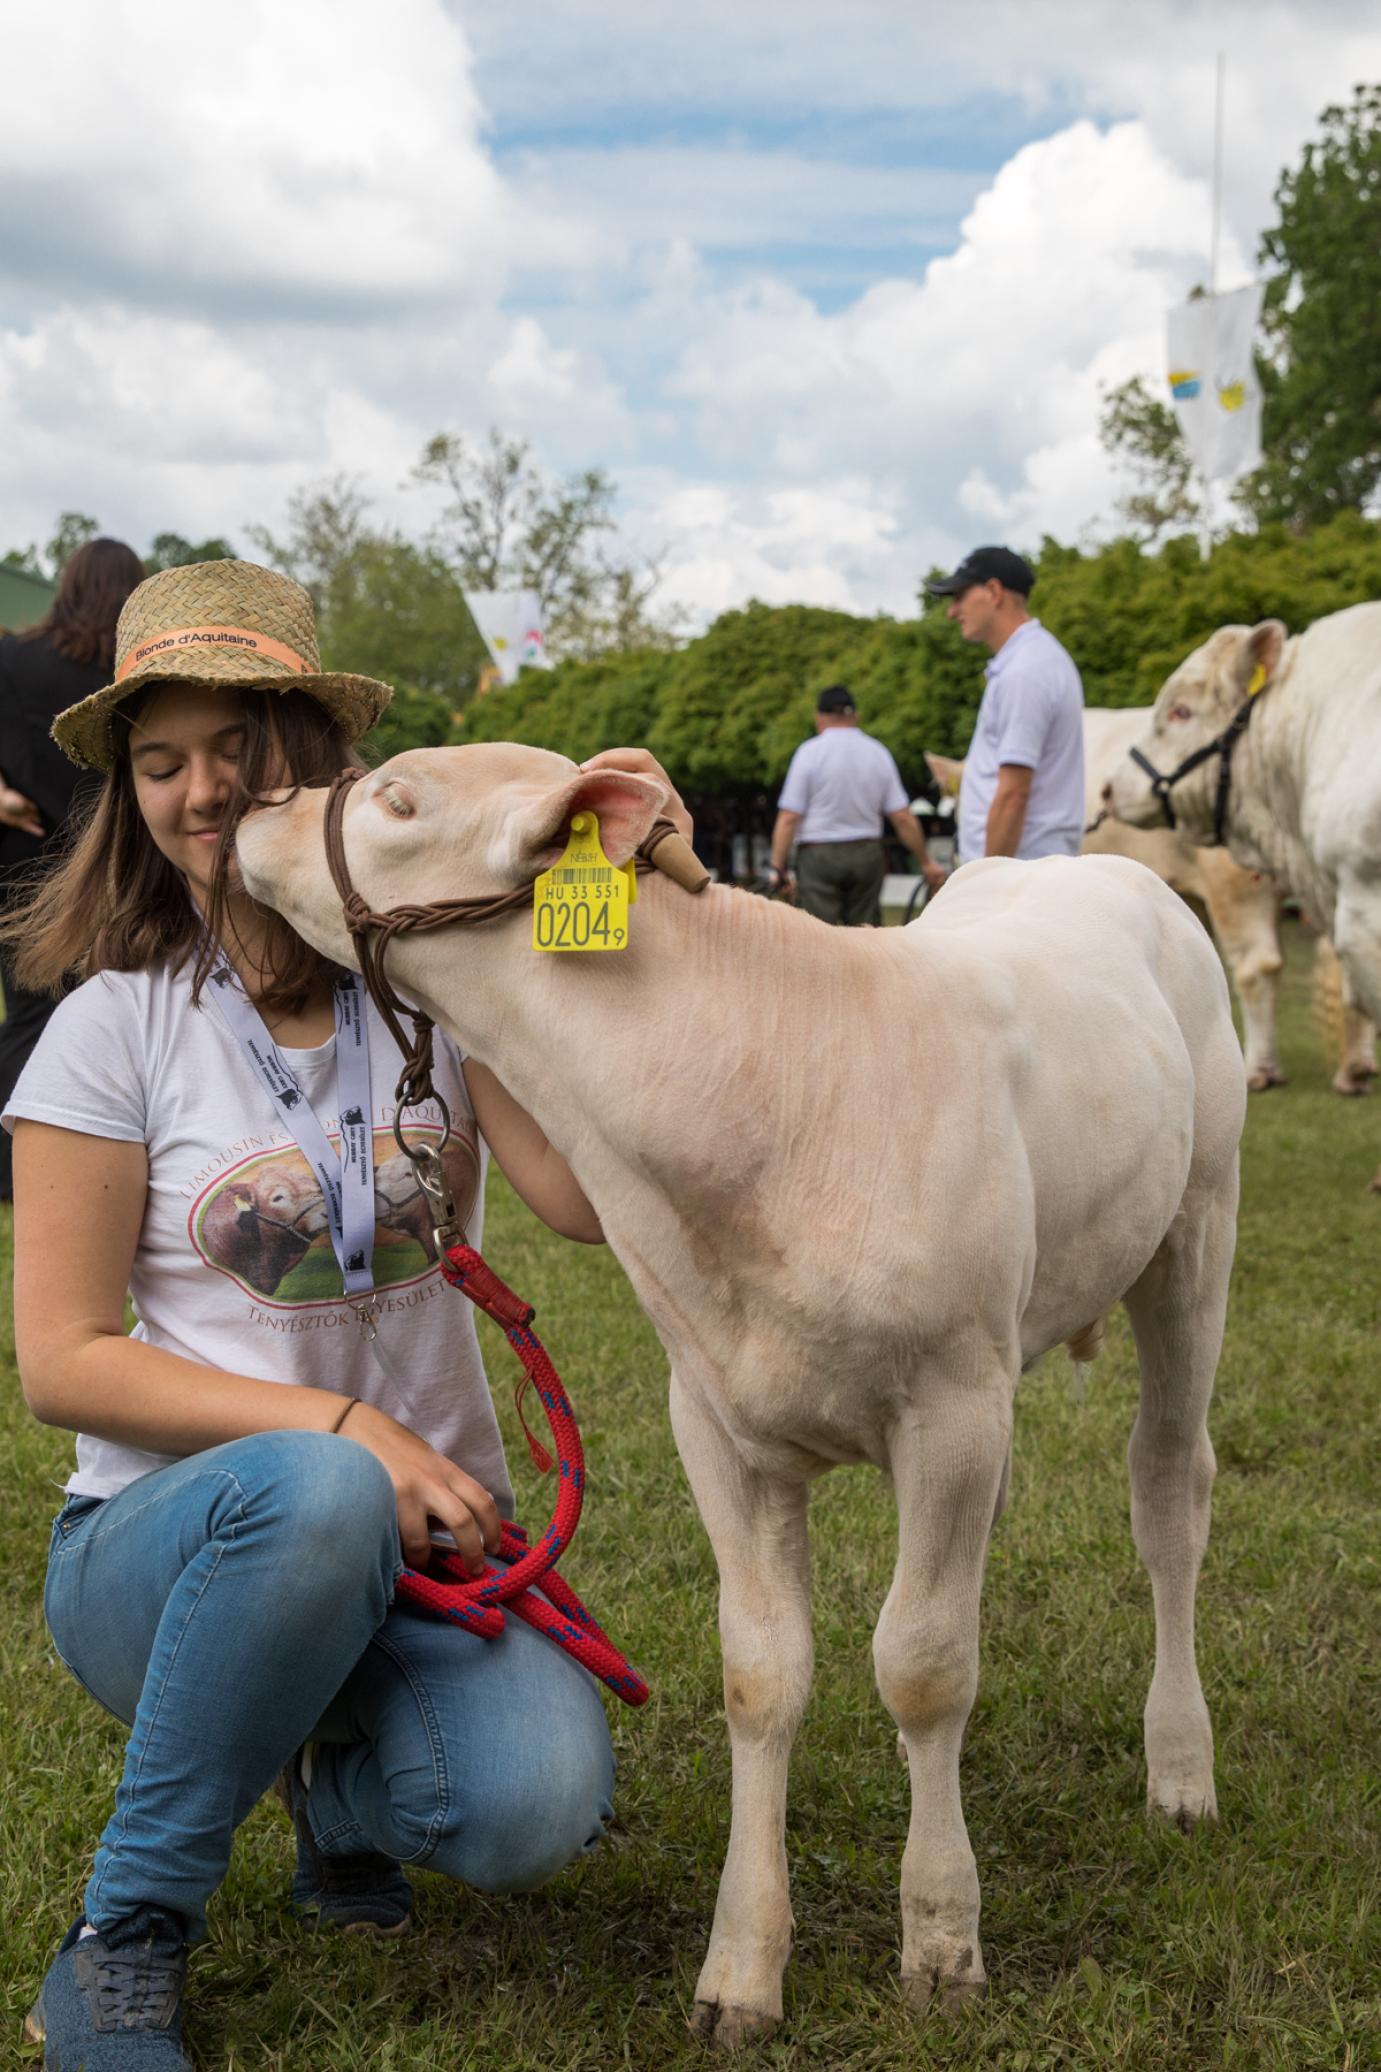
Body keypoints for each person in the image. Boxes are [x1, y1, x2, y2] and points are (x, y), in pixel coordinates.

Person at [3, 558, 687, 2071]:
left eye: (238, 749)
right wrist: (347, 1430)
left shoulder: (431, 997)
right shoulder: (111, 1028)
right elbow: (60, 1362)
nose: (201, 793)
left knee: (533, 1810)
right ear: (129, 794)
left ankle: (328, 1792)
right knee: (315, 1488)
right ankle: (123, 1940)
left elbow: (579, 1199)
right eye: (162, 762)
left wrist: (597, 901)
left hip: (424, 1552)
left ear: (317, 761)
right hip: (173, 1550)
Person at [0, 537, 146, 1197]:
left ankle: (15, 1172)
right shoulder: (138, 671)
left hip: (26, 866)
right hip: (127, 865)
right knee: (133, 1009)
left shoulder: (14, 659)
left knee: (30, 1015)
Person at [925, 546, 1084, 863]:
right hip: (1027, 870)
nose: (952, 612)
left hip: (1019, 877)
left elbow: (1013, 794)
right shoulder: (1034, 659)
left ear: (994, 591)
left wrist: (989, 884)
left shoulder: (1025, 670)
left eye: (958, 597)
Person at [768, 685, 947, 925]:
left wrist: (778, 868)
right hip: (866, 853)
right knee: (866, 935)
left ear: (819, 717)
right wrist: (925, 861)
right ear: (855, 716)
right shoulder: (877, 752)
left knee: (820, 935)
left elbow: (789, 818)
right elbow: (902, 817)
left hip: (818, 854)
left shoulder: (809, 753)